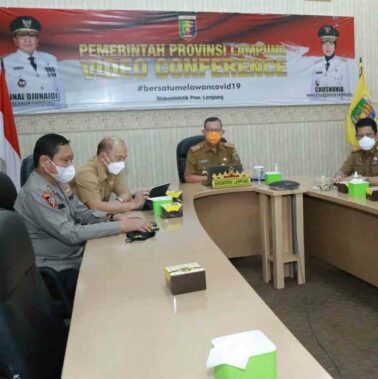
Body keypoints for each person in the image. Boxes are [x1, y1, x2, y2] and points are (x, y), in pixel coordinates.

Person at [14, 134, 151, 299]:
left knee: (122, 264)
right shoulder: (36, 193)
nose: (70, 165)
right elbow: (70, 233)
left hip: (75, 255)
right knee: (111, 283)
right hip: (55, 268)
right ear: (45, 162)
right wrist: (120, 227)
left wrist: (113, 218)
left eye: (71, 159)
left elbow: (83, 214)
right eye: (65, 160)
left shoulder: (59, 184)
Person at [3, 15, 65, 111]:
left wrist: (63, 111)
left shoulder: (50, 59)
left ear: (37, 40)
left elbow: (60, 91)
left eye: (32, 35)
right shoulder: (5, 63)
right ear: (15, 40)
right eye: (22, 35)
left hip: (52, 113)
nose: (27, 39)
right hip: (22, 115)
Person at [71, 136, 149, 213]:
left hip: (102, 217)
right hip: (80, 218)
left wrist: (118, 201)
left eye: (124, 159)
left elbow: (126, 194)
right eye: (119, 158)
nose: (122, 163)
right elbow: (95, 207)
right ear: (103, 157)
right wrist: (133, 204)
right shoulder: (86, 173)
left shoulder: (111, 169)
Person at [334, 117, 378, 186]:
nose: (365, 139)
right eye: (361, 136)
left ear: (376, 136)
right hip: (362, 191)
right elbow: (342, 172)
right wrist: (339, 177)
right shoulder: (356, 153)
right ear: (356, 137)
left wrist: (361, 180)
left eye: (369, 135)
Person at [184, 117, 241, 183]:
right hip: (203, 187)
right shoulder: (195, 152)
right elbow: (188, 177)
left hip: (225, 186)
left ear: (222, 132)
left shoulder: (230, 149)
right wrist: (213, 178)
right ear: (204, 132)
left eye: (217, 130)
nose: (213, 133)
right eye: (210, 130)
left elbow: (238, 171)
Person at [309, 25, 352, 99]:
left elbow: (346, 94)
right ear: (321, 46)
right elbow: (312, 94)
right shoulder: (317, 65)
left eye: (331, 44)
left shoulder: (342, 64)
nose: (327, 47)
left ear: (335, 46)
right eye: (325, 44)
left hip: (335, 104)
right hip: (319, 104)